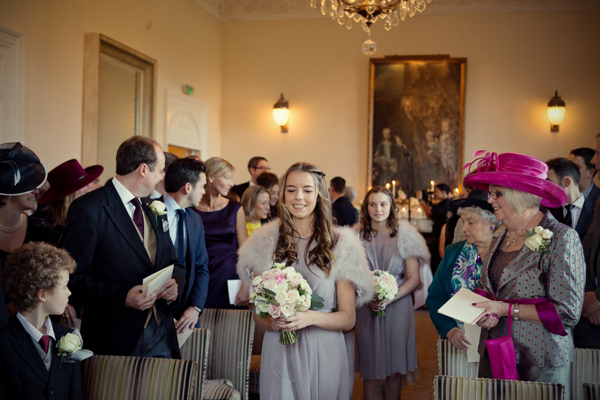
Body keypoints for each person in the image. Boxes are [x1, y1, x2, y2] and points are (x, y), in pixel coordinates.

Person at [236, 162, 374, 400]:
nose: (298, 197)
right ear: (281, 195)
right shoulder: (263, 243)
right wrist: (274, 323)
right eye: (291, 190)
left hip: (324, 350)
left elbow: (348, 318)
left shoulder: (341, 244)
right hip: (279, 351)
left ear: (319, 194)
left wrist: (309, 317)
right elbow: (258, 314)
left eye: (307, 190)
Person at [464, 151, 584, 393]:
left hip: (540, 362)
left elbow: (567, 313)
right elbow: (492, 288)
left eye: (498, 193)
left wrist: (505, 309)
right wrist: (486, 309)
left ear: (522, 195)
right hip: (496, 354)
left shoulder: (562, 237)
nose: (490, 200)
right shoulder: (500, 235)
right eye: (490, 193)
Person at [60, 136, 185, 358]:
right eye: (161, 170)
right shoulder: (89, 209)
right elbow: (72, 278)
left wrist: (174, 285)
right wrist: (121, 297)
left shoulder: (153, 207)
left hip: (161, 330)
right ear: (144, 170)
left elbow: (174, 262)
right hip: (115, 334)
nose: (162, 177)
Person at [356, 187, 429, 400]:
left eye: (383, 204)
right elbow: (352, 275)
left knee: (394, 370)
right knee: (369, 371)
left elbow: (414, 278)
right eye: (372, 204)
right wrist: (368, 296)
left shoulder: (406, 235)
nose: (378, 209)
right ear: (366, 207)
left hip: (398, 306)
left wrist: (389, 298)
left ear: (391, 207)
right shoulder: (356, 236)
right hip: (366, 306)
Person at [0, 242, 83, 399]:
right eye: (65, 286)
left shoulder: (69, 336)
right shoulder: (4, 343)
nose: (69, 292)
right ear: (42, 295)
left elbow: (75, 395)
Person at [427, 189, 501, 350]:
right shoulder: (453, 252)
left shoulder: (506, 254)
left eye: (471, 222)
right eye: (463, 221)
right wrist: (449, 329)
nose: (464, 228)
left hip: (496, 344)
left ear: (491, 223)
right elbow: (435, 297)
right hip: (458, 344)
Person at [0, 143, 53, 327]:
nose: (36, 190)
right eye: (27, 185)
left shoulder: (40, 228)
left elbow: (48, 279)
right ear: (5, 195)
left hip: (31, 325)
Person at [192, 157, 248, 309]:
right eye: (227, 178)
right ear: (210, 177)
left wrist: (246, 285)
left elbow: (245, 251)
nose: (231, 183)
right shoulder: (190, 209)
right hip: (198, 276)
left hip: (229, 276)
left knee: (229, 327)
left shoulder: (236, 208)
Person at [163, 158, 210, 333]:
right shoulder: (148, 212)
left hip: (185, 315)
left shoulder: (195, 220)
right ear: (188, 187)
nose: (204, 192)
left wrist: (195, 307)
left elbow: (201, 267)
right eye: (203, 186)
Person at [36, 159, 104, 244]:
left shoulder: (86, 217)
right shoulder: (40, 224)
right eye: (84, 185)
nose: (87, 190)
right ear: (70, 194)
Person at [577, 134, 600, 349]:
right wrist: (588, 296)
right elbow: (588, 248)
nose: (595, 160)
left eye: (599, 153)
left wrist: (598, 299)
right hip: (589, 317)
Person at [546, 157, 592, 240]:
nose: (546, 188)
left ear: (567, 182)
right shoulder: (547, 211)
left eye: (550, 183)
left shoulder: (594, 210)